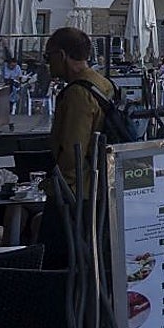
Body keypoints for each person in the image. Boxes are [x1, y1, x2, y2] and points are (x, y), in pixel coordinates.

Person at [40, 28, 115, 268]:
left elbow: (73, 153)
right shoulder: (102, 83)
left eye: (47, 56)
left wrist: (53, 187)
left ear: (61, 55)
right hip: (99, 189)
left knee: (59, 265)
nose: (47, 63)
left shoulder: (77, 94)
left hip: (76, 196)